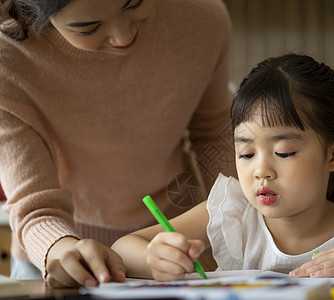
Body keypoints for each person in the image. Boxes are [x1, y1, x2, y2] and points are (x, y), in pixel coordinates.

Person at [112, 53, 334, 281]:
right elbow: (123, 248)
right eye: (246, 154)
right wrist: (154, 259)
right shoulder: (234, 213)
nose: (261, 171)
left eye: (284, 152)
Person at [0, 0, 235, 288]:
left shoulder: (201, 15)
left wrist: (241, 214)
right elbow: (35, 205)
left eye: (134, 3)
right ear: (29, 11)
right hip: (64, 255)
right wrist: (59, 246)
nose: (124, 38)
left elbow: (216, 131)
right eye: (88, 28)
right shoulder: (6, 59)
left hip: (173, 244)